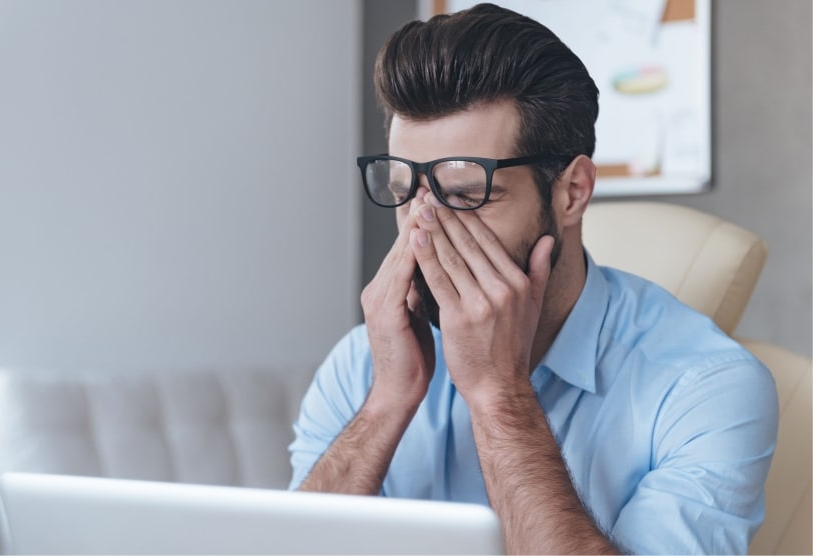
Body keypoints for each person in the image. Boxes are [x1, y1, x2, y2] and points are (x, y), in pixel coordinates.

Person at [288, 4, 778, 554]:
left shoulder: (707, 388)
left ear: (572, 191)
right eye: (404, 187)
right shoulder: (365, 364)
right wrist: (385, 403)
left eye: (467, 194)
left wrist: (500, 396)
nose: (423, 227)